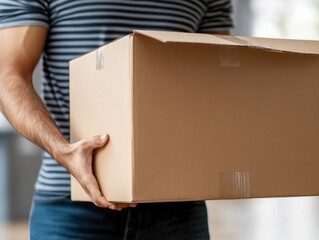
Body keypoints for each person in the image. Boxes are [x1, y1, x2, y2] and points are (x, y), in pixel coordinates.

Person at [0, 1, 232, 239]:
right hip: (72, 205)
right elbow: (7, 76)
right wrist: (63, 150)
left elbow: (220, 73)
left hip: (178, 203)